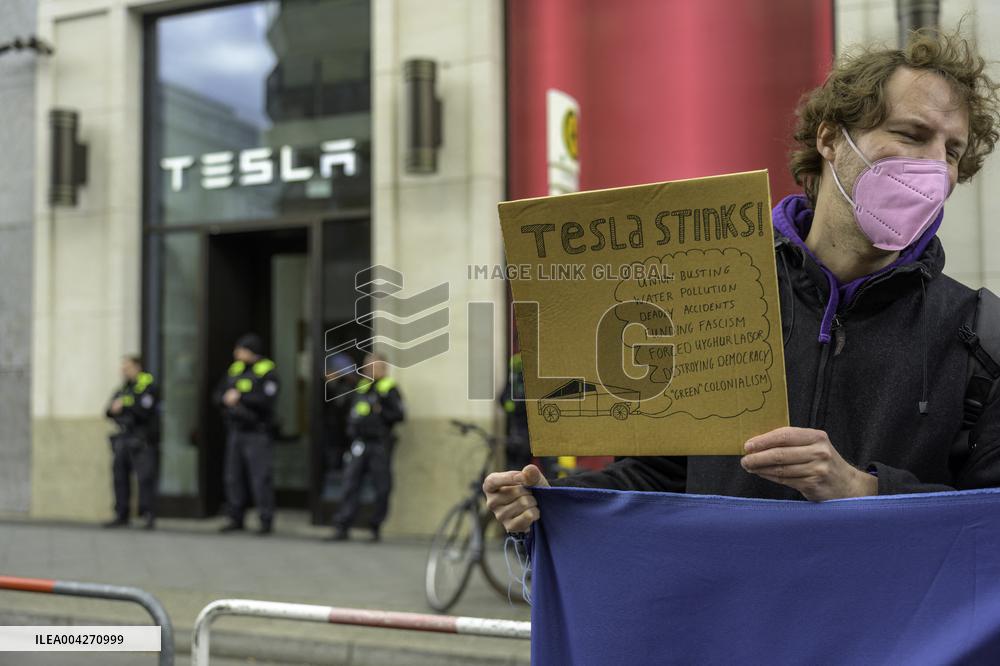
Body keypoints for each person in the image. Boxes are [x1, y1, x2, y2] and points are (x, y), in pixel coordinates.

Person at [485, 30, 1000, 533]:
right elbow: (663, 477)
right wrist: (552, 505)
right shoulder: (712, 290)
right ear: (829, 139)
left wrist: (862, 491)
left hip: (883, 618)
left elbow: (988, 523)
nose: (935, 166)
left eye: (952, 152)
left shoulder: (979, 333)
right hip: (727, 612)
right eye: (911, 134)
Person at [330, 353, 405, 542]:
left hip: (379, 444)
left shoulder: (389, 388)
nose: (367, 370)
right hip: (360, 443)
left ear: (383, 368)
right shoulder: (361, 386)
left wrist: (381, 409)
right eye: (366, 366)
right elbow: (349, 408)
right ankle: (343, 526)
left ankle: (375, 526)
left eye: (372, 366)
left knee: (382, 487)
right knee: (350, 484)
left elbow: (399, 415)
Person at [214, 333, 280, 535]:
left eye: (240, 349)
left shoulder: (267, 371)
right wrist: (226, 399)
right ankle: (236, 517)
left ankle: (265, 520)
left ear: (251, 351)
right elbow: (218, 394)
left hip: (256, 432)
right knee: (233, 476)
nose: (236, 353)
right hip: (236, 431)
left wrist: (240, 397)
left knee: (260, 477)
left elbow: (267, 400)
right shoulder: (235, 370)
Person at [103, 355, 160, 529]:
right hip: (124, 437)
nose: (123, 371)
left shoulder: (147, 386)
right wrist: (117, 408)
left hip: (142, 439)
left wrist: (124, 406)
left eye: (127, 367)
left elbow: (144, 410)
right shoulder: (124, 388)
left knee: (145, 478)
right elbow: (108, 411)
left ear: (137, 367)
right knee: (119, 477)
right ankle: (121, 513)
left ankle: (148, 514)